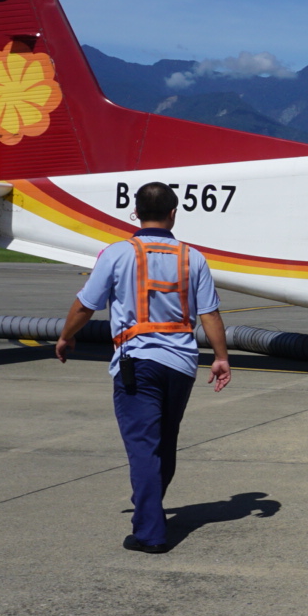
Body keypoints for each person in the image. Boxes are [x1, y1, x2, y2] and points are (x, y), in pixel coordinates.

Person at [56, 182, 231, 553]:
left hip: (137, 363)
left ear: (135, 213)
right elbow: (209, 313)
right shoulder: (192, 257)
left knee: (142, 447)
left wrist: (66, 336)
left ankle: (150, 532)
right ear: (173, 214)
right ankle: (150, 506)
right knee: (164, 443)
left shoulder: (118, 254)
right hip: (182, 365)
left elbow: (86, 304)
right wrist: (220, 357)